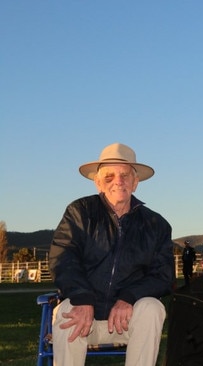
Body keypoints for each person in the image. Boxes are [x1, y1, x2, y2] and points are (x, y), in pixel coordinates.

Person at [49, 143, 175, 366]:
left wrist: (129, 297)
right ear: (98, 183)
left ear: (135, 183)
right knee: (69, 308)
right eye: (109, 176)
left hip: (126, 322)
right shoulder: (80, 212)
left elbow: (163, 276)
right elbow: (63, 257)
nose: (118, 181)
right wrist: (82, 298)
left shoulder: (156, 225)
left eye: (125, 175)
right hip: (83, 319)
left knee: (152, 308)